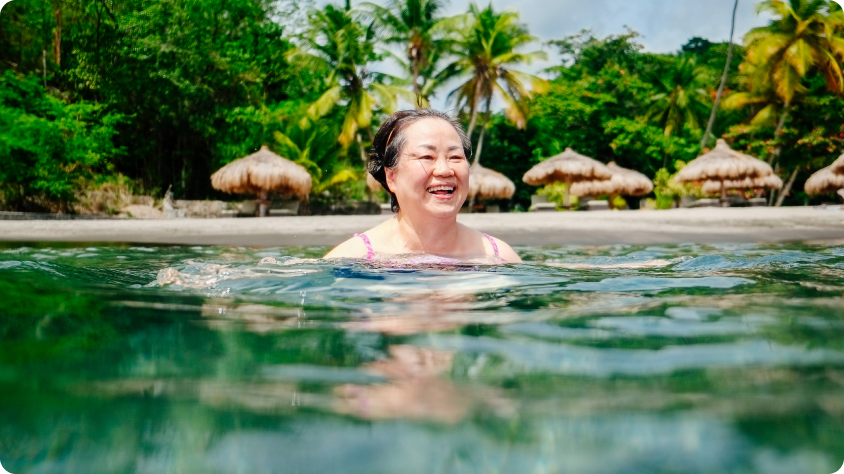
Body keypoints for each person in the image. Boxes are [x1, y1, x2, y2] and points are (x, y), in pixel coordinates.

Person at [324, 109, 521, 264]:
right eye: (427, 157)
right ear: (391, 177)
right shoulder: (353, 259)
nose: (444, 170)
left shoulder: (499, 256)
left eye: (455, 157)